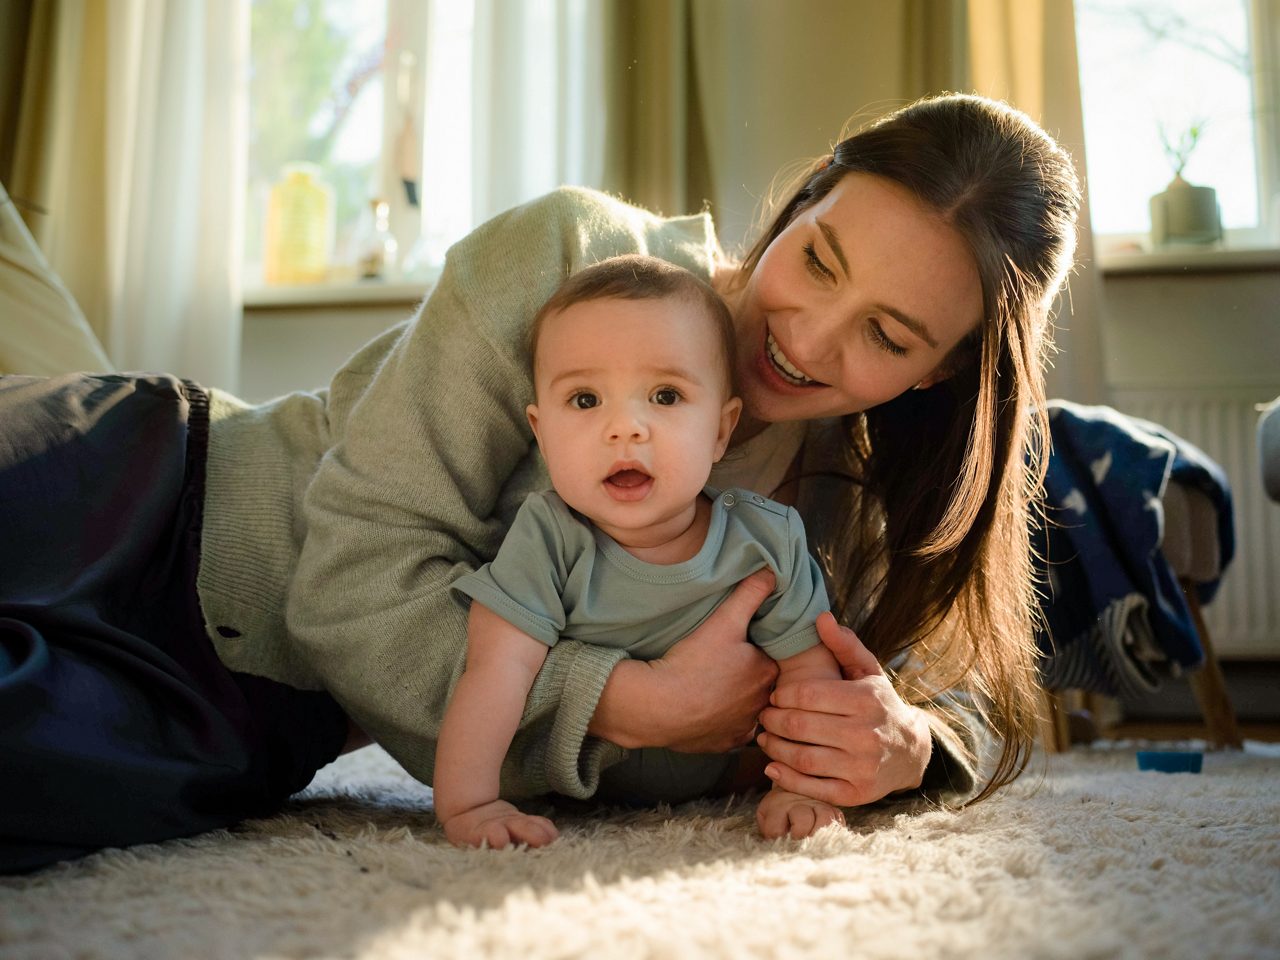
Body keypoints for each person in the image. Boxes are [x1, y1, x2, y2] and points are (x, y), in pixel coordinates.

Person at [0, 92, 1080, 874]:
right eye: (819, 260)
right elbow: (350, 581)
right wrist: (627, 703)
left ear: (935, 373)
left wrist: (905, 750)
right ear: (805, 198)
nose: (801, 337)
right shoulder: (571, 252)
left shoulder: (837, 522)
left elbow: (966, 686)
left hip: (238, 710)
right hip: (139, 476)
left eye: (884, 336)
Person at [436, 255, 845, 848]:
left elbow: (811, 677)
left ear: (722, 430)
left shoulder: (766, 540)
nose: (625, 427)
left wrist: (804, 787)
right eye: (584, 400)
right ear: (542, 432)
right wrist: (470, 804)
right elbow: (494, 673)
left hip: (725, 779)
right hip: (575, 789)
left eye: (664, 395)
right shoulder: (547, 538)